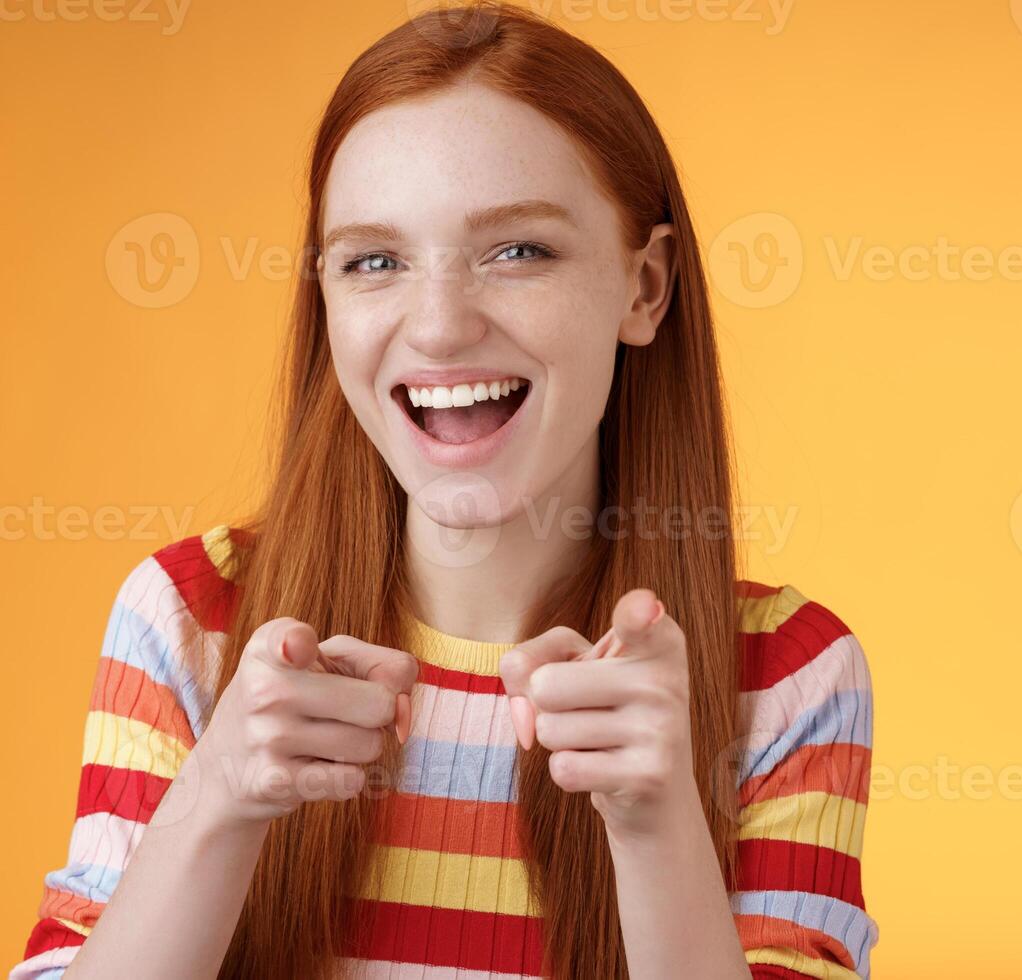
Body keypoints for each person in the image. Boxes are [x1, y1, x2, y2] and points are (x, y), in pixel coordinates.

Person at [11, 5, 874, 978]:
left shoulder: (788, 678)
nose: (439, 325)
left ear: (645, 288)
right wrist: (215, 794)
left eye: (518, 251)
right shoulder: (189, 620)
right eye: (375, 260)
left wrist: (657, 825)